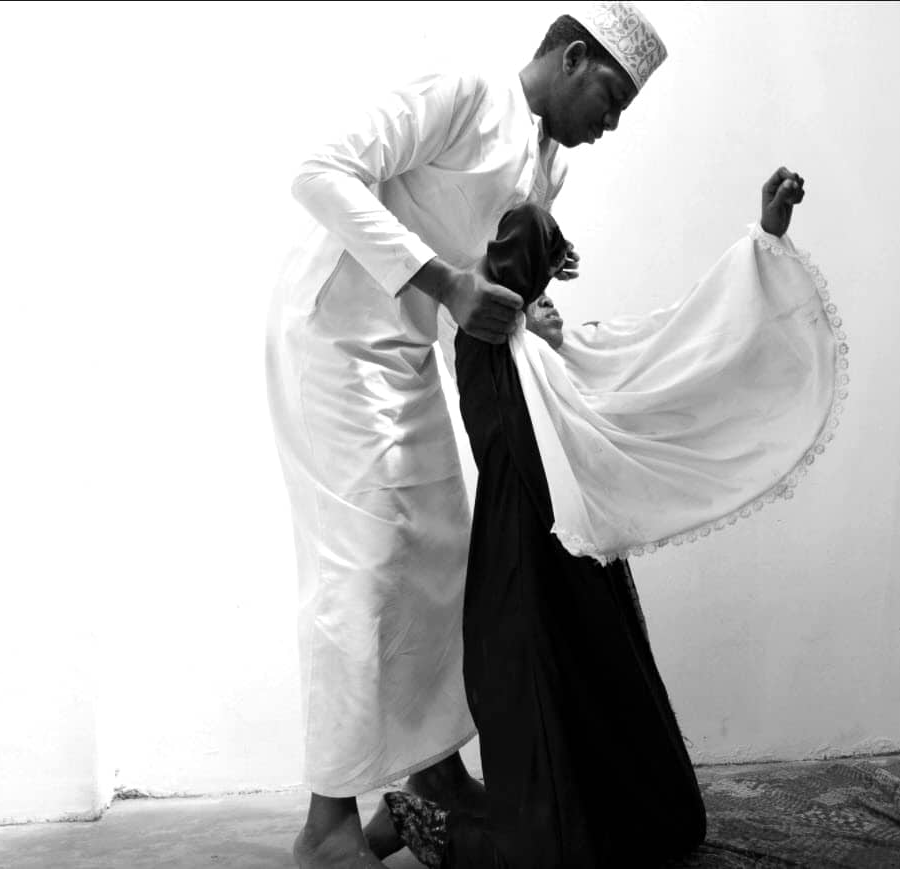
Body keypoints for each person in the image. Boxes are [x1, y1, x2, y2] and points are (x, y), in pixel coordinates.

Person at [264, 5, 669, 867]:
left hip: (406, 353)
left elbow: (483, 288)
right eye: (611, 96)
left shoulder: (543, 166)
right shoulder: (462, 90)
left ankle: (433, 781)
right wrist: (450, 283)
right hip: (332, 341)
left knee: (445, 559)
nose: (612, 123)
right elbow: (318, 172)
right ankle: (326, 827)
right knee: (364, 568)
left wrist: (523, 299)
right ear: (570, 57)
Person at [377, 168, 822, 868]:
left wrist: (765, 237)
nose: (551, 307)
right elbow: (524, 241)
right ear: (508, 289)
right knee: (549, 815)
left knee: (653, 803)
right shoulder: (488, 348)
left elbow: (680, 345)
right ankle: (418, 824)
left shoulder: (549, 360)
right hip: (522, 578)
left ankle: (535, 817)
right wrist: (539, 257)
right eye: (537, 289)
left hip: (578, 572)